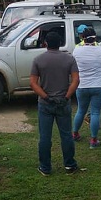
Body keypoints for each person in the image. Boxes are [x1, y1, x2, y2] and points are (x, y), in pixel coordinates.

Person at [30, 32, 80, 176]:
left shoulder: (38, 60)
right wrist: (66, 96)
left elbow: (33, 83)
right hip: (63, 102)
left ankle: (45, 167)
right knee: (66, 135)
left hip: (46, 103)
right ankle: (69, 164)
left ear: (45, 43)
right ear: (60, 43)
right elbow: (76, 80)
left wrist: (45, 97)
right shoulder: (69, 59)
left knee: (45, 137)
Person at [71, 27, 101, 149]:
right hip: (99, 85)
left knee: (81, 110)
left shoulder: (77, 51)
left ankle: (75, 133)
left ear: (82, 37)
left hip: (82, 85)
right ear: (95, 37)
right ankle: (93, 140)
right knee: (95, 112)